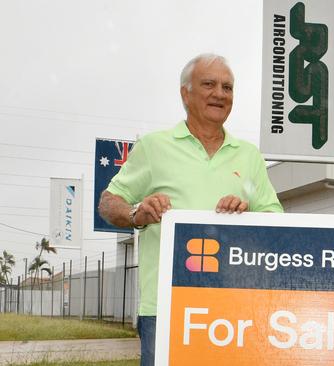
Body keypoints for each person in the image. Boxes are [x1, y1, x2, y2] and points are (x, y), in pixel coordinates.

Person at [98, 53, 283, 366]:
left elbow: (274, 219)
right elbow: (108, 202)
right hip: (166, 307)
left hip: (232, 308)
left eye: (228, 87)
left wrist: (247, 212)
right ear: (186, 93)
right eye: (209, 84)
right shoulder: (155, 147)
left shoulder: (249, 156)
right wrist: (137, 214)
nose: (220, 94)